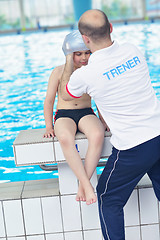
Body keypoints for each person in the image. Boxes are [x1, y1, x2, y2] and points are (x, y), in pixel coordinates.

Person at [59, 9, 160, 240]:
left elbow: (66, 95)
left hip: (135, 146)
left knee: (107, 197)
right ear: (111, 27)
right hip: (158, 130)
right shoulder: (133, 50)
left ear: (85, 39)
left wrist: (68, 57)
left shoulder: (86, 74)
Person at [43, 30, 106, 205]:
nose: (84, 58)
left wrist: (103, 119)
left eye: (87, 52)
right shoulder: (58, 72)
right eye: (78, 54)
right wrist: (49, 126)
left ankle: (82, 186)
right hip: (64, 114)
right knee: (64, 138)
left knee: (97, 135)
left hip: (86, 112)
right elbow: (48, 101)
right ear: (69, 54)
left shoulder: (92, 72)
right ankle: (87, 184)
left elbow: (99, 98)